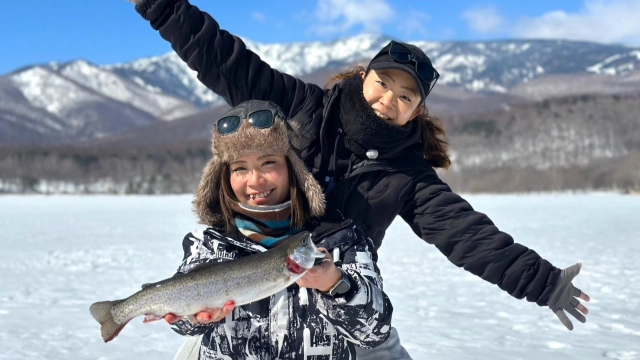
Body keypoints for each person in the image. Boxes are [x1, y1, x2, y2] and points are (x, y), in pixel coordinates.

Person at [127, 0, 591, 358]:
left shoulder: (409, 175)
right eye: (384, 82)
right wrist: (164, 7)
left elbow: (469, 236)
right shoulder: (306, 107)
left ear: (418, 110)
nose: (391, 98)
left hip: (346, 297)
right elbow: (224, 60)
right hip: (253, 279)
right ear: (364, 75)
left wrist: (543, 282)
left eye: (407, 95)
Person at [162, 99, 393, 360]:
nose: (255, 180)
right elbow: (179, 322)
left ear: (292, 167)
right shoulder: (210, 245)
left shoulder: (340, 240)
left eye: (268, 163)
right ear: (224, 178)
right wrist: (194, 316)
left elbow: (376, 331)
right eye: (239, 168)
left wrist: (335, 285)